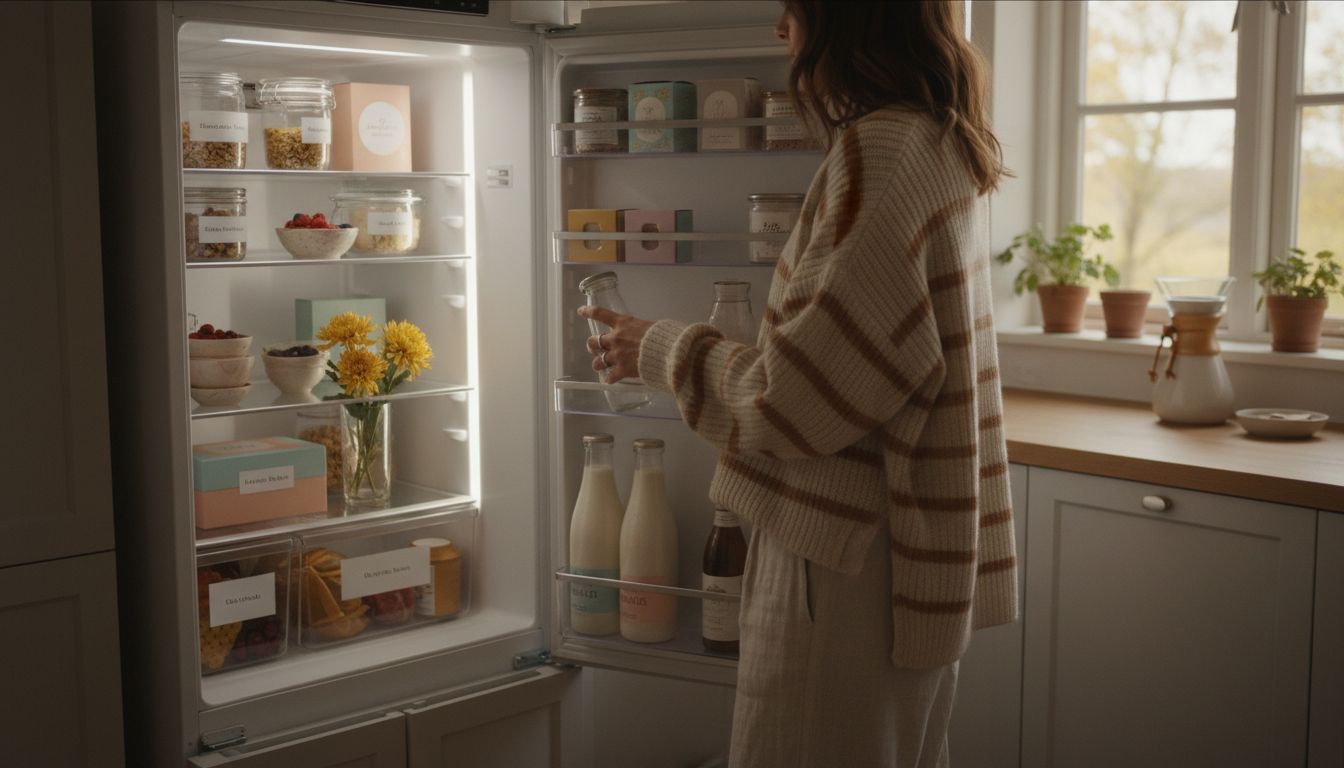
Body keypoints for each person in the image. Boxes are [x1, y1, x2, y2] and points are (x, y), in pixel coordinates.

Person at [579, 1, 1018, 765]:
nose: (782, 28)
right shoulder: (937, 139)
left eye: (794, 7)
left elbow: (796, 400)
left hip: (842, 551)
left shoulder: (880, 154)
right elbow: (862, 362)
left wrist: (660, 348)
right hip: (894, 544)